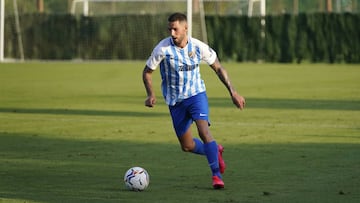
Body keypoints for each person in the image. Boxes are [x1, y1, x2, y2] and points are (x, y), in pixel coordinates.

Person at [142, 12, 245, 189]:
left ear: (185, 28)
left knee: (204, 131)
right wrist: (151, 94)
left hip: (196, 95)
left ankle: (216, 176)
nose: (172, 33)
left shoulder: (198, 47)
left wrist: (233, 92)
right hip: (175, 102)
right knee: (187, 146)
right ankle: (215, 150)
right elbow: (147, 72)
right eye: (170, 29)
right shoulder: (163, 49)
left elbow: (219, 68)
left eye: (175, 29)